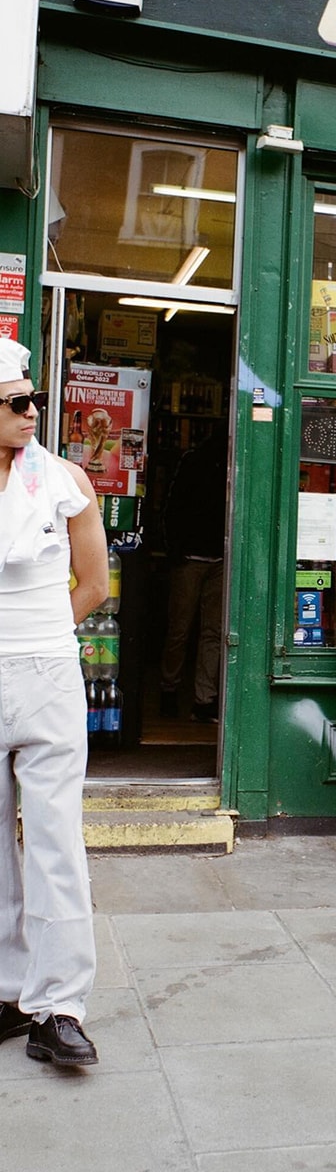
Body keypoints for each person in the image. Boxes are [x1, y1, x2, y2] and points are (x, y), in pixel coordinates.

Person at [0, 338, 109, 1066]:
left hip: (44, 670)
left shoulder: (66, 479)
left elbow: (95, 585)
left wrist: (43, 638)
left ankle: (60, 1004)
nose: (32, 410)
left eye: (32, 397)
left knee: (55, 841)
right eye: (16, 402)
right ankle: (10, 991)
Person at [159, 425, 227, 723]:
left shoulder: (194, 460)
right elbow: (172, 509)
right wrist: (175, 549)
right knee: (199, 631)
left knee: (183, 629)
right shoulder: (199, 462)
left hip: (202, 557)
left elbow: (170, 508)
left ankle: (179, 695)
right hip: (199, 557)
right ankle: (193, 697)